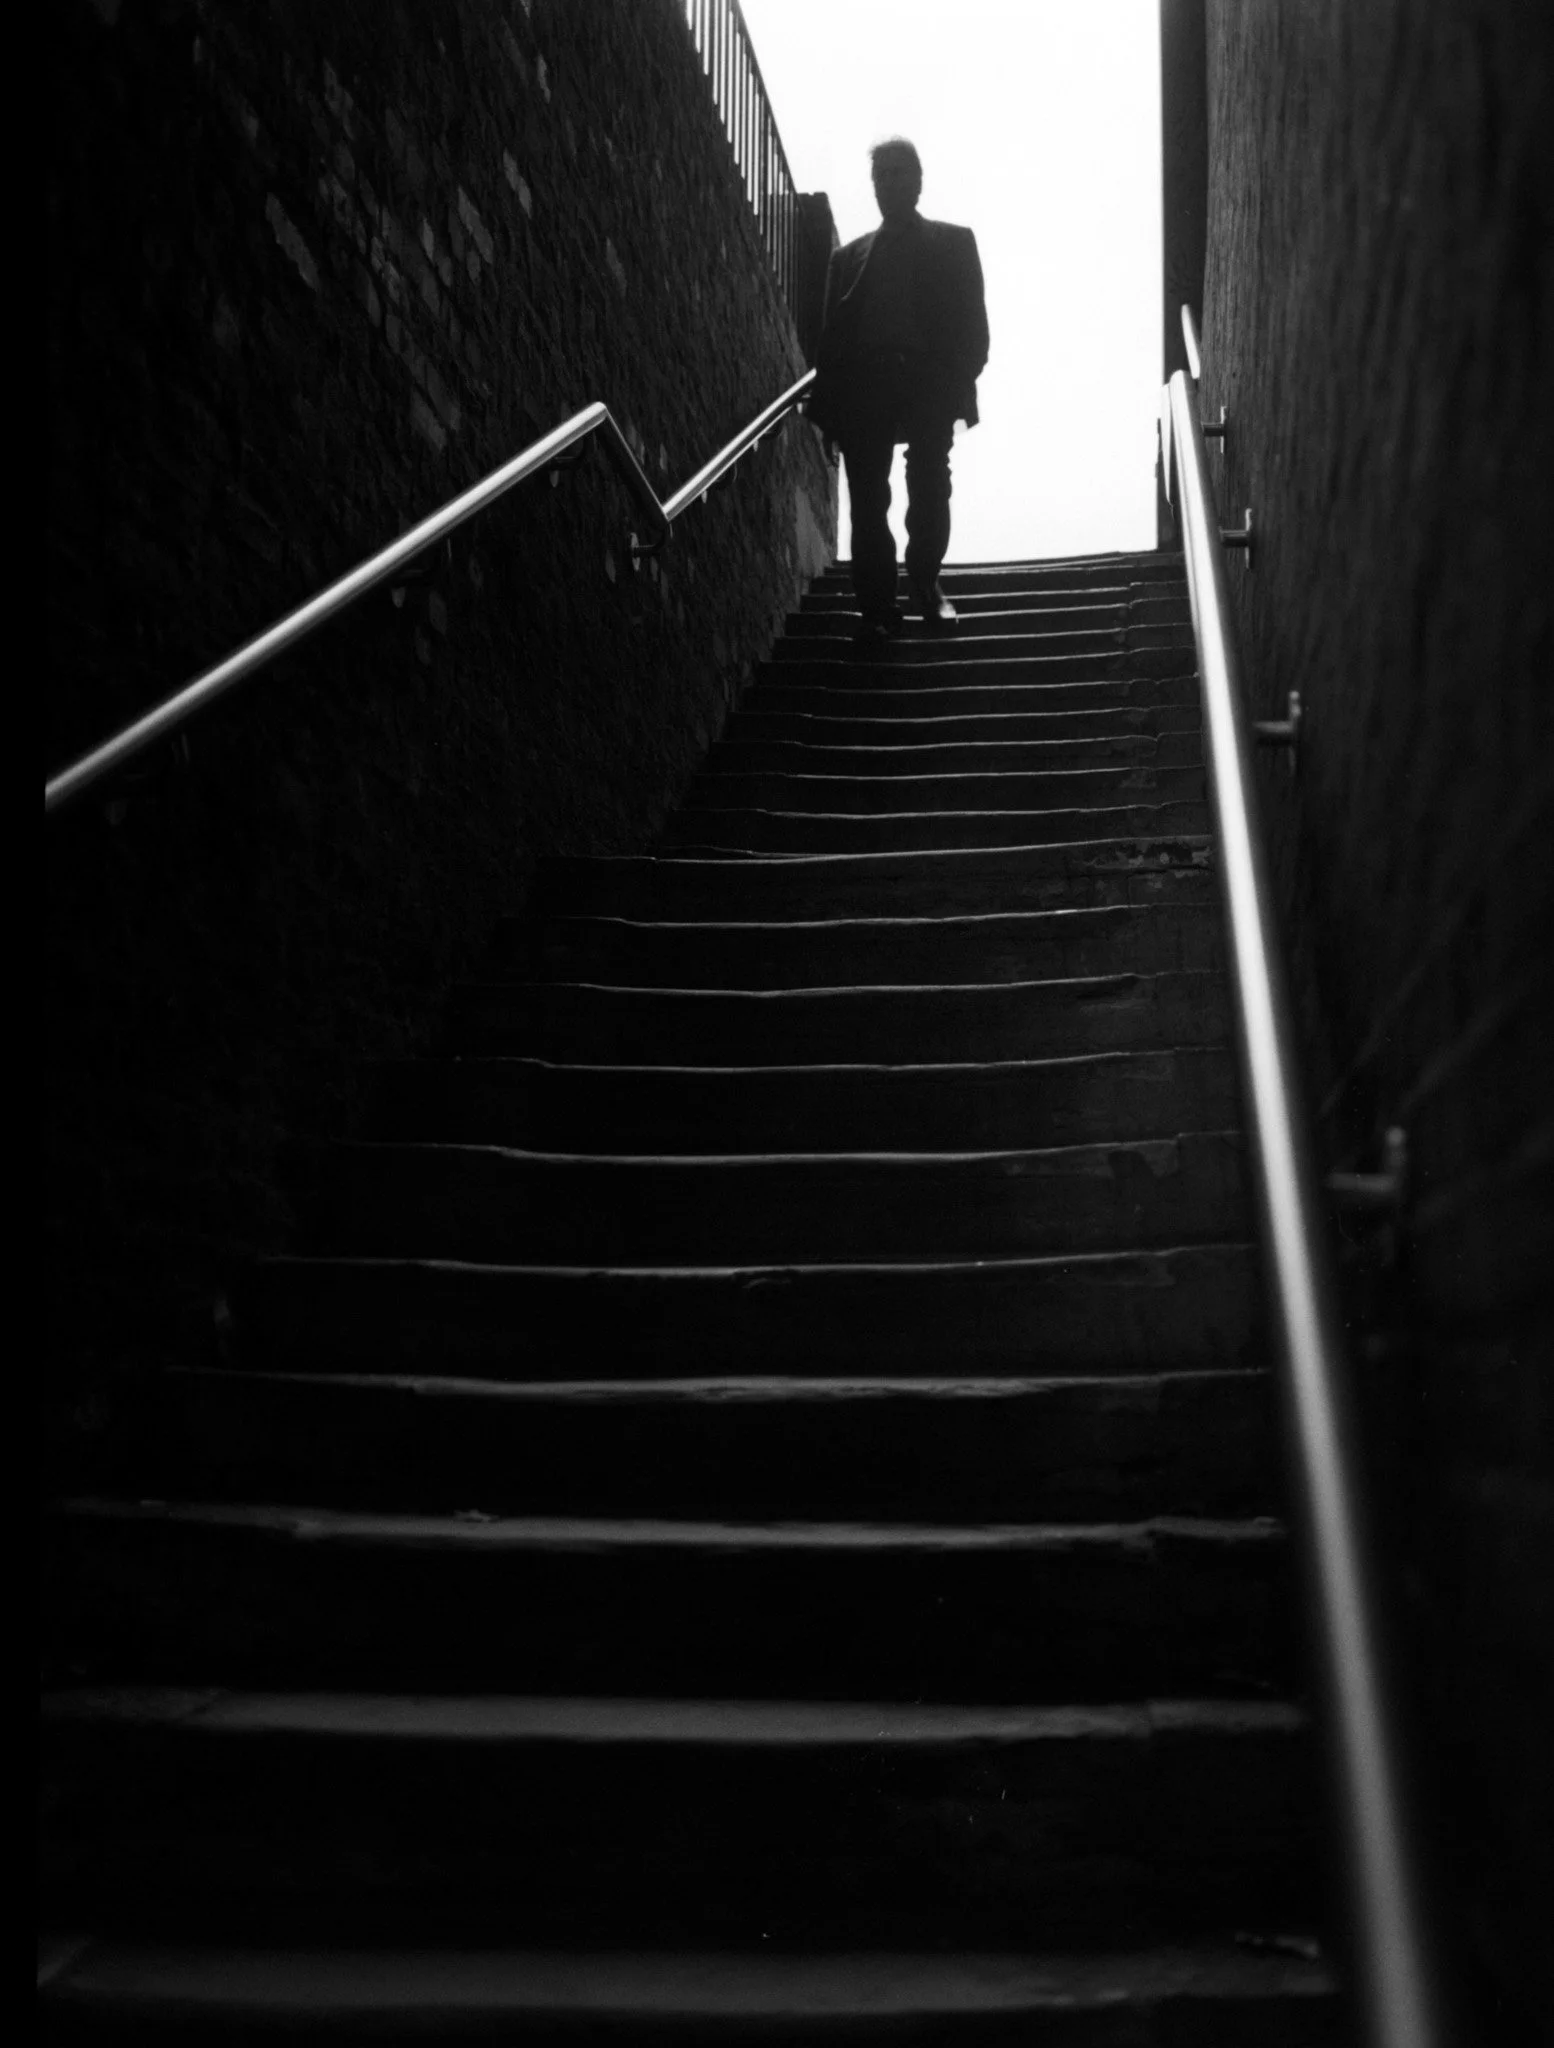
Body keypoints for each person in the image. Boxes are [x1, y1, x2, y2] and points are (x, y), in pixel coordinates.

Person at [806, 138, 990, 649]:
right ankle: (878, 607)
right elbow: (831, 342)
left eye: (898, 172)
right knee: (867, 498)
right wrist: (829, 413)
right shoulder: (848, 258)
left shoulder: (954, 242)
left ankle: (926, 584)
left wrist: (955, 383)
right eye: (881, 175)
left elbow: (975, 329)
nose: (889, 183)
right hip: (866, 387)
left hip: (928, 382)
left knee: (930, 483)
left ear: (918, 179)